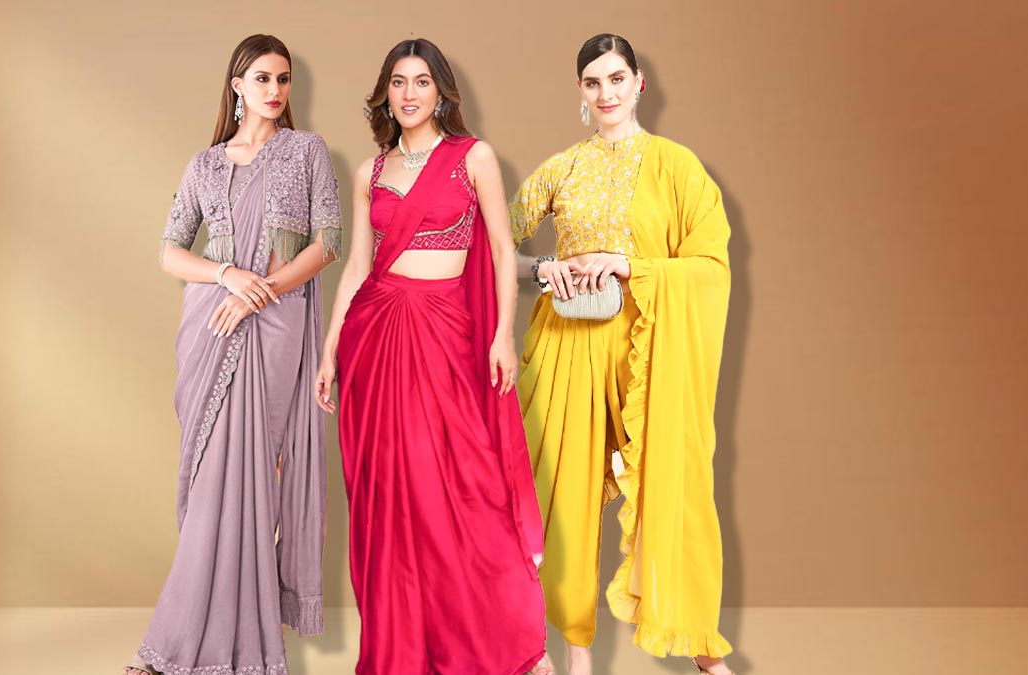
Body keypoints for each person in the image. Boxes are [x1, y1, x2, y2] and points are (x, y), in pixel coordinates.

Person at [314, 38, 552, 675]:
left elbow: (501, 250)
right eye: (399, 82)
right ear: (385, 94)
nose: (409, 93)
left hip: (448, 336)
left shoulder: (473, 158)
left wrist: (503, 334)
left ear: (441, 92)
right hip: (377, 339)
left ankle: (505, 643)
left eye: (422, 81)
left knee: (468, 486)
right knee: (394, 495)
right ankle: (406, 646)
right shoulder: (371, 173)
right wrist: (331, 349)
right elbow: (358, 267)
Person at [510, 33, 736, 675]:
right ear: (580, 92)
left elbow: (710, 265)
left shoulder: (677, 167)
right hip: (565, 345)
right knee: (560, 493)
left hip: (648, 348)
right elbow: (495, 250)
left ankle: (701, 647)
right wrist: (546, 268)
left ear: (639, 83)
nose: (605, 93)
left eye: (616, 79)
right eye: (593, 82)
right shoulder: (560, 169)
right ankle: (575, 651)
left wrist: (629, 264)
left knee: (675, 483)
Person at [125, 33, 340, 675]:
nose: (275, 90)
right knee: (213, 483)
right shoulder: (204, 165)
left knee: (251, 478)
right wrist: (226, 276)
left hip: (274, 327)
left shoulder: (306, 151)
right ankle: (198, 641)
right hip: (211, 327)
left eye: (283, 79)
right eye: (262, 79)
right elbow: (170, 252)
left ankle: (191, 646)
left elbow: (327, 243)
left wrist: (259, 293)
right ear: (237, 86)